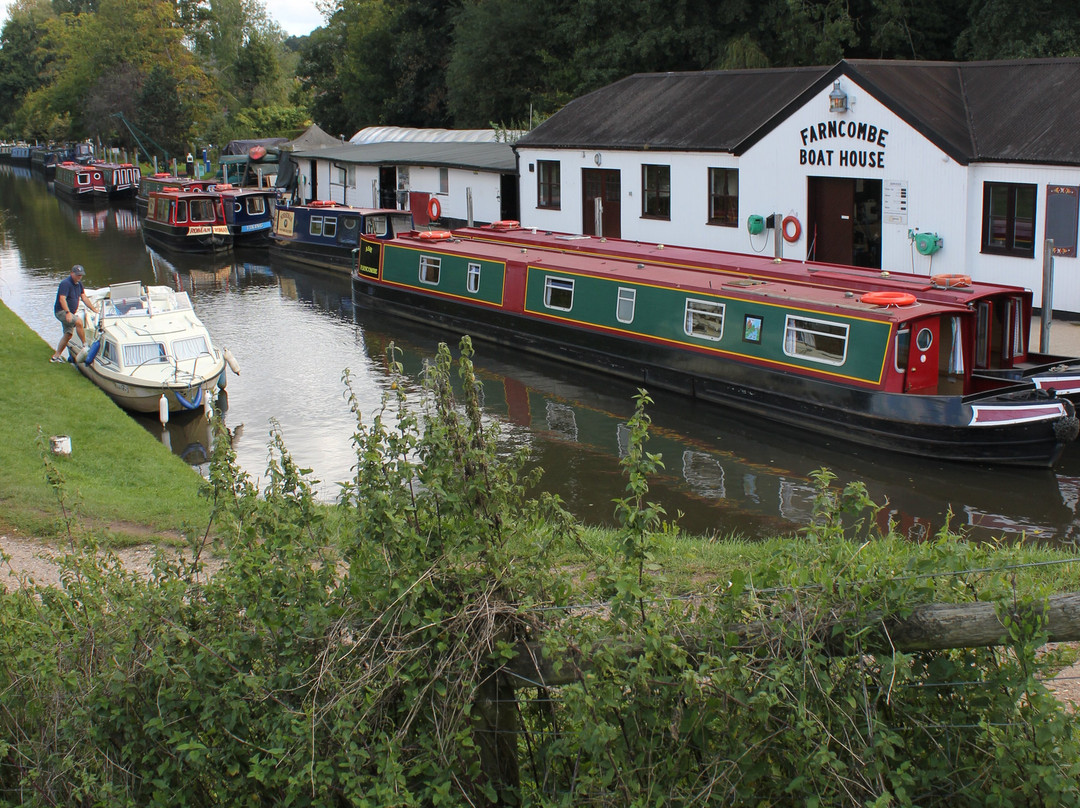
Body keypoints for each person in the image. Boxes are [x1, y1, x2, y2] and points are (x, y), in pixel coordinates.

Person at [50, 264, 98, 363]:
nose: (79, 277)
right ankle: (85, 345)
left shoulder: (79, 284)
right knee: (79, 322)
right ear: (72, 273)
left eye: (81, 275)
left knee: (68, 334)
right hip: (61, 312)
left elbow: (84, 298)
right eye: (77, 275)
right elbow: (62, 299)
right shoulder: (65, 283)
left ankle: (56, 356)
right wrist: (68, 313)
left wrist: (94, 309)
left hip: (69, 313)